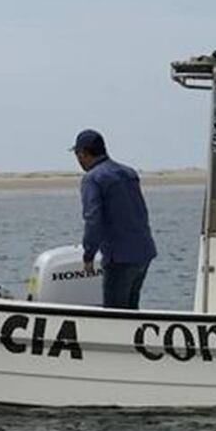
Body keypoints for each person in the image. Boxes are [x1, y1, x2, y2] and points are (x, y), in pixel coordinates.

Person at [72, 129, 157, 309]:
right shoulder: (129, 173)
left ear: (83, 153)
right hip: (144, 252)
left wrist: (88, 255)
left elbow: (93, 219)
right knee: (132, 311)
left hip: (119, 257)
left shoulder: (92, 179)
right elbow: (141, 212)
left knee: (115, 315)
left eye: (77, 154)